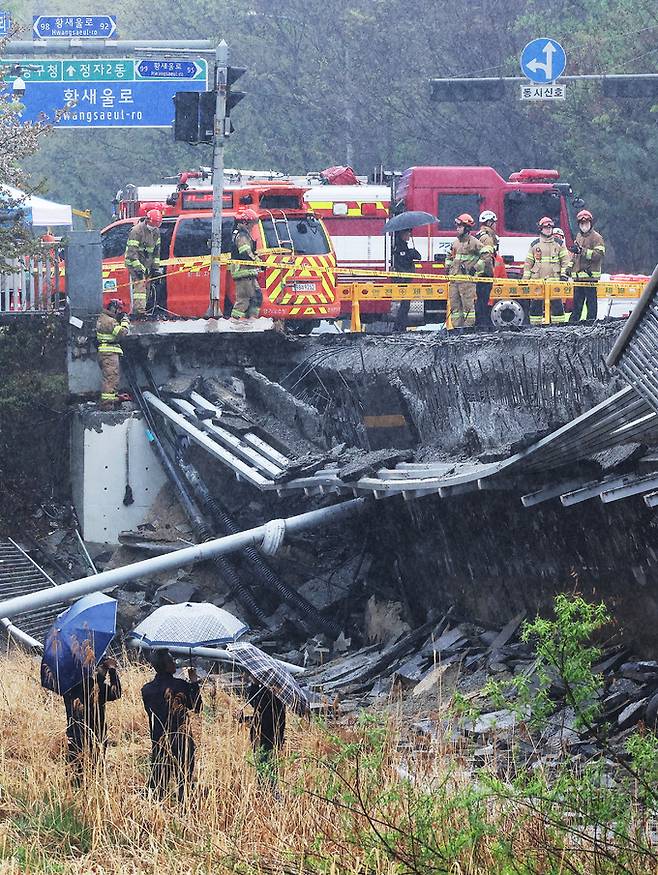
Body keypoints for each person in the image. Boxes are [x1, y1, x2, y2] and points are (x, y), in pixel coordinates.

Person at [141, 650, 202, 802]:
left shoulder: (146, 689)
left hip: (159, 738)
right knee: (184, 779)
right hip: (182, 738)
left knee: (159, 781)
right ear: (166, 666)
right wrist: (193, 682)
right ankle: (184, 810)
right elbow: (197, 707)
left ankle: (156, 811)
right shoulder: (180, 686)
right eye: (171, 660)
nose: (174, 662)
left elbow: (151, 714)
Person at [62, 656, 121, 783]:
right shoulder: (96, 688)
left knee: (74, 771)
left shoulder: (67, 686)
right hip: (96, 734)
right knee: (95, 771)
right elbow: (116, 693)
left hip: (74, 733)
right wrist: (112, 671)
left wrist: (100, 675)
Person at [445, 213, 484, 330]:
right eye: (457, 226)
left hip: (467, 282)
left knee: (468, 308)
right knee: (455, 308)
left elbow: (486, 256)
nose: (457, 229)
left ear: (467, 228)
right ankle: (457, 331)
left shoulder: (474, 243)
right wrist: (447, 267)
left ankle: (468, 331)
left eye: (460, 226)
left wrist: (475, 268)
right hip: (454, 280)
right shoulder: (455, 243)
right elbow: (449, 257)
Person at [246, 681, 286, 790]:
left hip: (266, 737)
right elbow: (255, 705)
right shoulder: (267, 692)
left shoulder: (273, 697)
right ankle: (266, 790)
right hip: (264, 736)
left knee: (265, 766)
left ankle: (268, 791)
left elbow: (260, 711)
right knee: (263, 766)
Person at [569, 209, 606, 324]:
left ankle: (591, 325)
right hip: (578, 278)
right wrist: (568, 269)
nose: (584, 226)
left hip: (590, 278)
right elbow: (574, 257)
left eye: (586, 223)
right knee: (577, 304)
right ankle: (572, 325)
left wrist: (582, 251)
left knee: (591, 304)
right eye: (581, 224)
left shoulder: (597, 238)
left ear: (591, 224)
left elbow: (598, 255)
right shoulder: (579, 237)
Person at [124, 208, 162, 316]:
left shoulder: (156, 232)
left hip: (147, 263)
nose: (154, 227)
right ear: (148, 220)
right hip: (134, 262)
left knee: (147, 286)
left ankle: (143, 308)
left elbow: (156, 252)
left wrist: (155, 268)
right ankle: (139, 312)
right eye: (153, 224)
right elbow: (131, 253)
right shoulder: (137, 231)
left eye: (157, 225)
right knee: (140, 285)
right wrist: (138, 268)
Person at [229, 208, 263, 322]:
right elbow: (245, 253)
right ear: (245, 223)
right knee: (244, 299)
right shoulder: (242, 236)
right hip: (243, 271)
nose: (252, 227)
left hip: (248, 271)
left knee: (257, 297)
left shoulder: (244, 234)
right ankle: (234, 322)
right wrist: (258, 262)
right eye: (251, 224)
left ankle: (252, 320)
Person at [96, 298, 130, 410]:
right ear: (113, 308)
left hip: (106, 353)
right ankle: (107, 405)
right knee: (111, 379)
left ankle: (111, 399)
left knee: (110, 378)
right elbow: (122, 333)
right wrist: (125, 322)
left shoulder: (103, 318)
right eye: (118, 309)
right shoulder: (109, 321)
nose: (119, 312)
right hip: (109, 354)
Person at [392, 229, 421, 332]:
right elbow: (402, 260)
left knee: (406, 304)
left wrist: (412, 252)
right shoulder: (399, 246)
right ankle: (399, 327)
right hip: (403, 279)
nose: (409, 234)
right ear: (402, 234)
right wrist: (410, 253)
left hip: (406, 278)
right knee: (405, 304)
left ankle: (400, 326)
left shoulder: (403, 245)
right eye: (407, 233)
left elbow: (418, 257)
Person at [475, 210, 498, 329]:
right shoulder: (487, 238)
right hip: (484, 274)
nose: (495, 225)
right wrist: (490, 273)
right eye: (494, 222)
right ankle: (482, 324)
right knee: (483, 300)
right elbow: (487, 258)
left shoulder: (478, 235)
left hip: (478, 274)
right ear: (489, 222)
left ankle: (479, 323)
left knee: (479, 299)